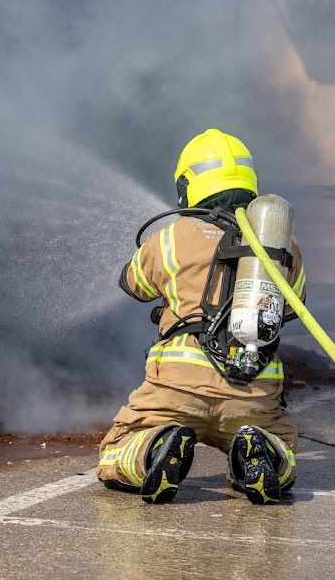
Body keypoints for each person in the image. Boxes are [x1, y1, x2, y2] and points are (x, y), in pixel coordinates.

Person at [96, 128, 307, 505]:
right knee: (284, 451)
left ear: (187, 186)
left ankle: (156, 449)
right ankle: (258, 456)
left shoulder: (171, 237)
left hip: (176, 390)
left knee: (118, 446)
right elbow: (294, 306)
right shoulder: (282, 244)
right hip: (253, 396)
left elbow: (134, 284)